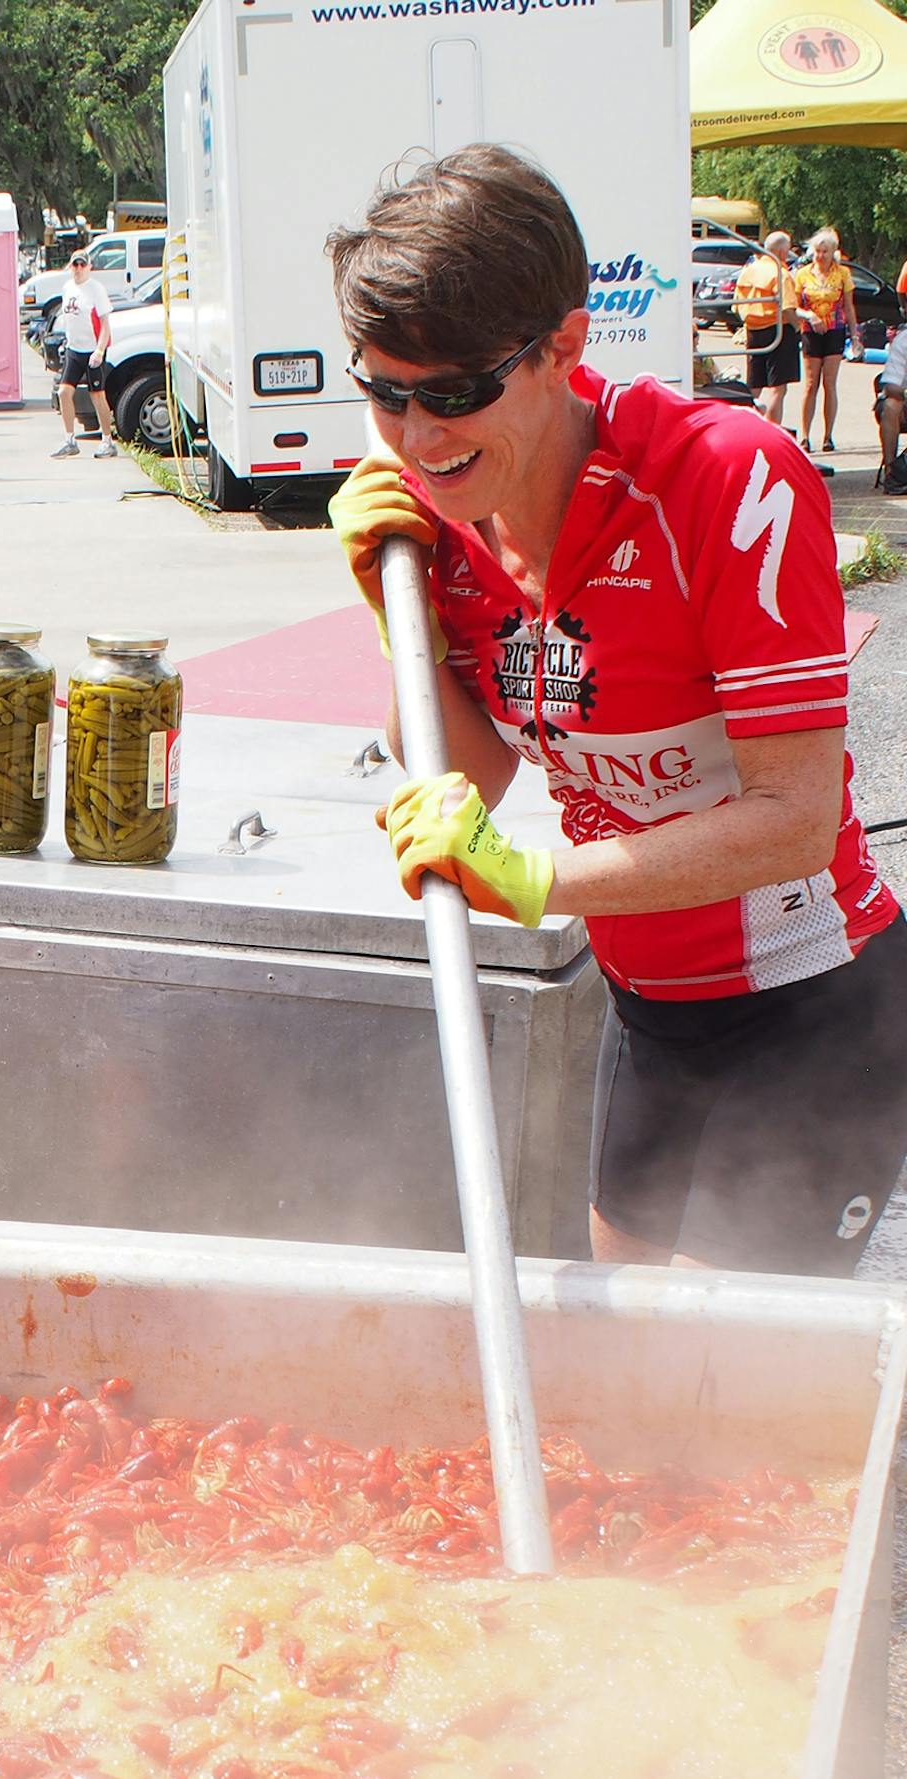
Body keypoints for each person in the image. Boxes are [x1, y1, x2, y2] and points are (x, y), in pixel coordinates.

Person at [325, 145, 906, 1278]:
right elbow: (477, 775)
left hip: (811, 1006)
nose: (417, 435)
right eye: (384, 390)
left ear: (564, 347)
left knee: (717, 1395)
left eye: (453, 394)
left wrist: (536, 884)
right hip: (646, 1006)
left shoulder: (727, 483)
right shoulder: (442, 511)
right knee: (626, 1362)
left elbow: (792, 818)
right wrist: (380, 603)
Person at [791, 227, 857, 452]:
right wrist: (808, 315)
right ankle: (805, 436)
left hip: (835, 330)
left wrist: (855, 335)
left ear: (833, 252)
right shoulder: (803, 274)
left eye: (825, 252)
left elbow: (848, 306)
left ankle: (828, 436)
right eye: (817, 251)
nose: (820, 256)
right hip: (810, 330)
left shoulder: (842, 274)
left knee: (830, 382)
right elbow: (794, 306)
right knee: (810, 384)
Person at [51, 251, 120, 459]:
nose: (79, 269)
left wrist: (99, 350)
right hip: (74, 349)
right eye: (75, 265)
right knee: (64, 392)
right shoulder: (68, 288)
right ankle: (69, 439)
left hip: (93, 350)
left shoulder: (95, 289)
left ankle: (107, 440)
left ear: (89, 267)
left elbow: (106, 324)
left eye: (82, 265)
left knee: (97, 395)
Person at [731, 231, 800, 430]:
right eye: (786, 251)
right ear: (780, 251)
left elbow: (736, 305)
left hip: (753, 329)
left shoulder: (748, 270)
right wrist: (798, 328)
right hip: (777, 330)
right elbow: (787, 309)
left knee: (754, 384)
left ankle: (743, 426)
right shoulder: (780, 273)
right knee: (778, 388)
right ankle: (772, 430)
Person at [874, 323, 907, 492]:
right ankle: (892, 472)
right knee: (891, 405)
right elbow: (890, 387)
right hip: (904, 402)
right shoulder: (903, 340)